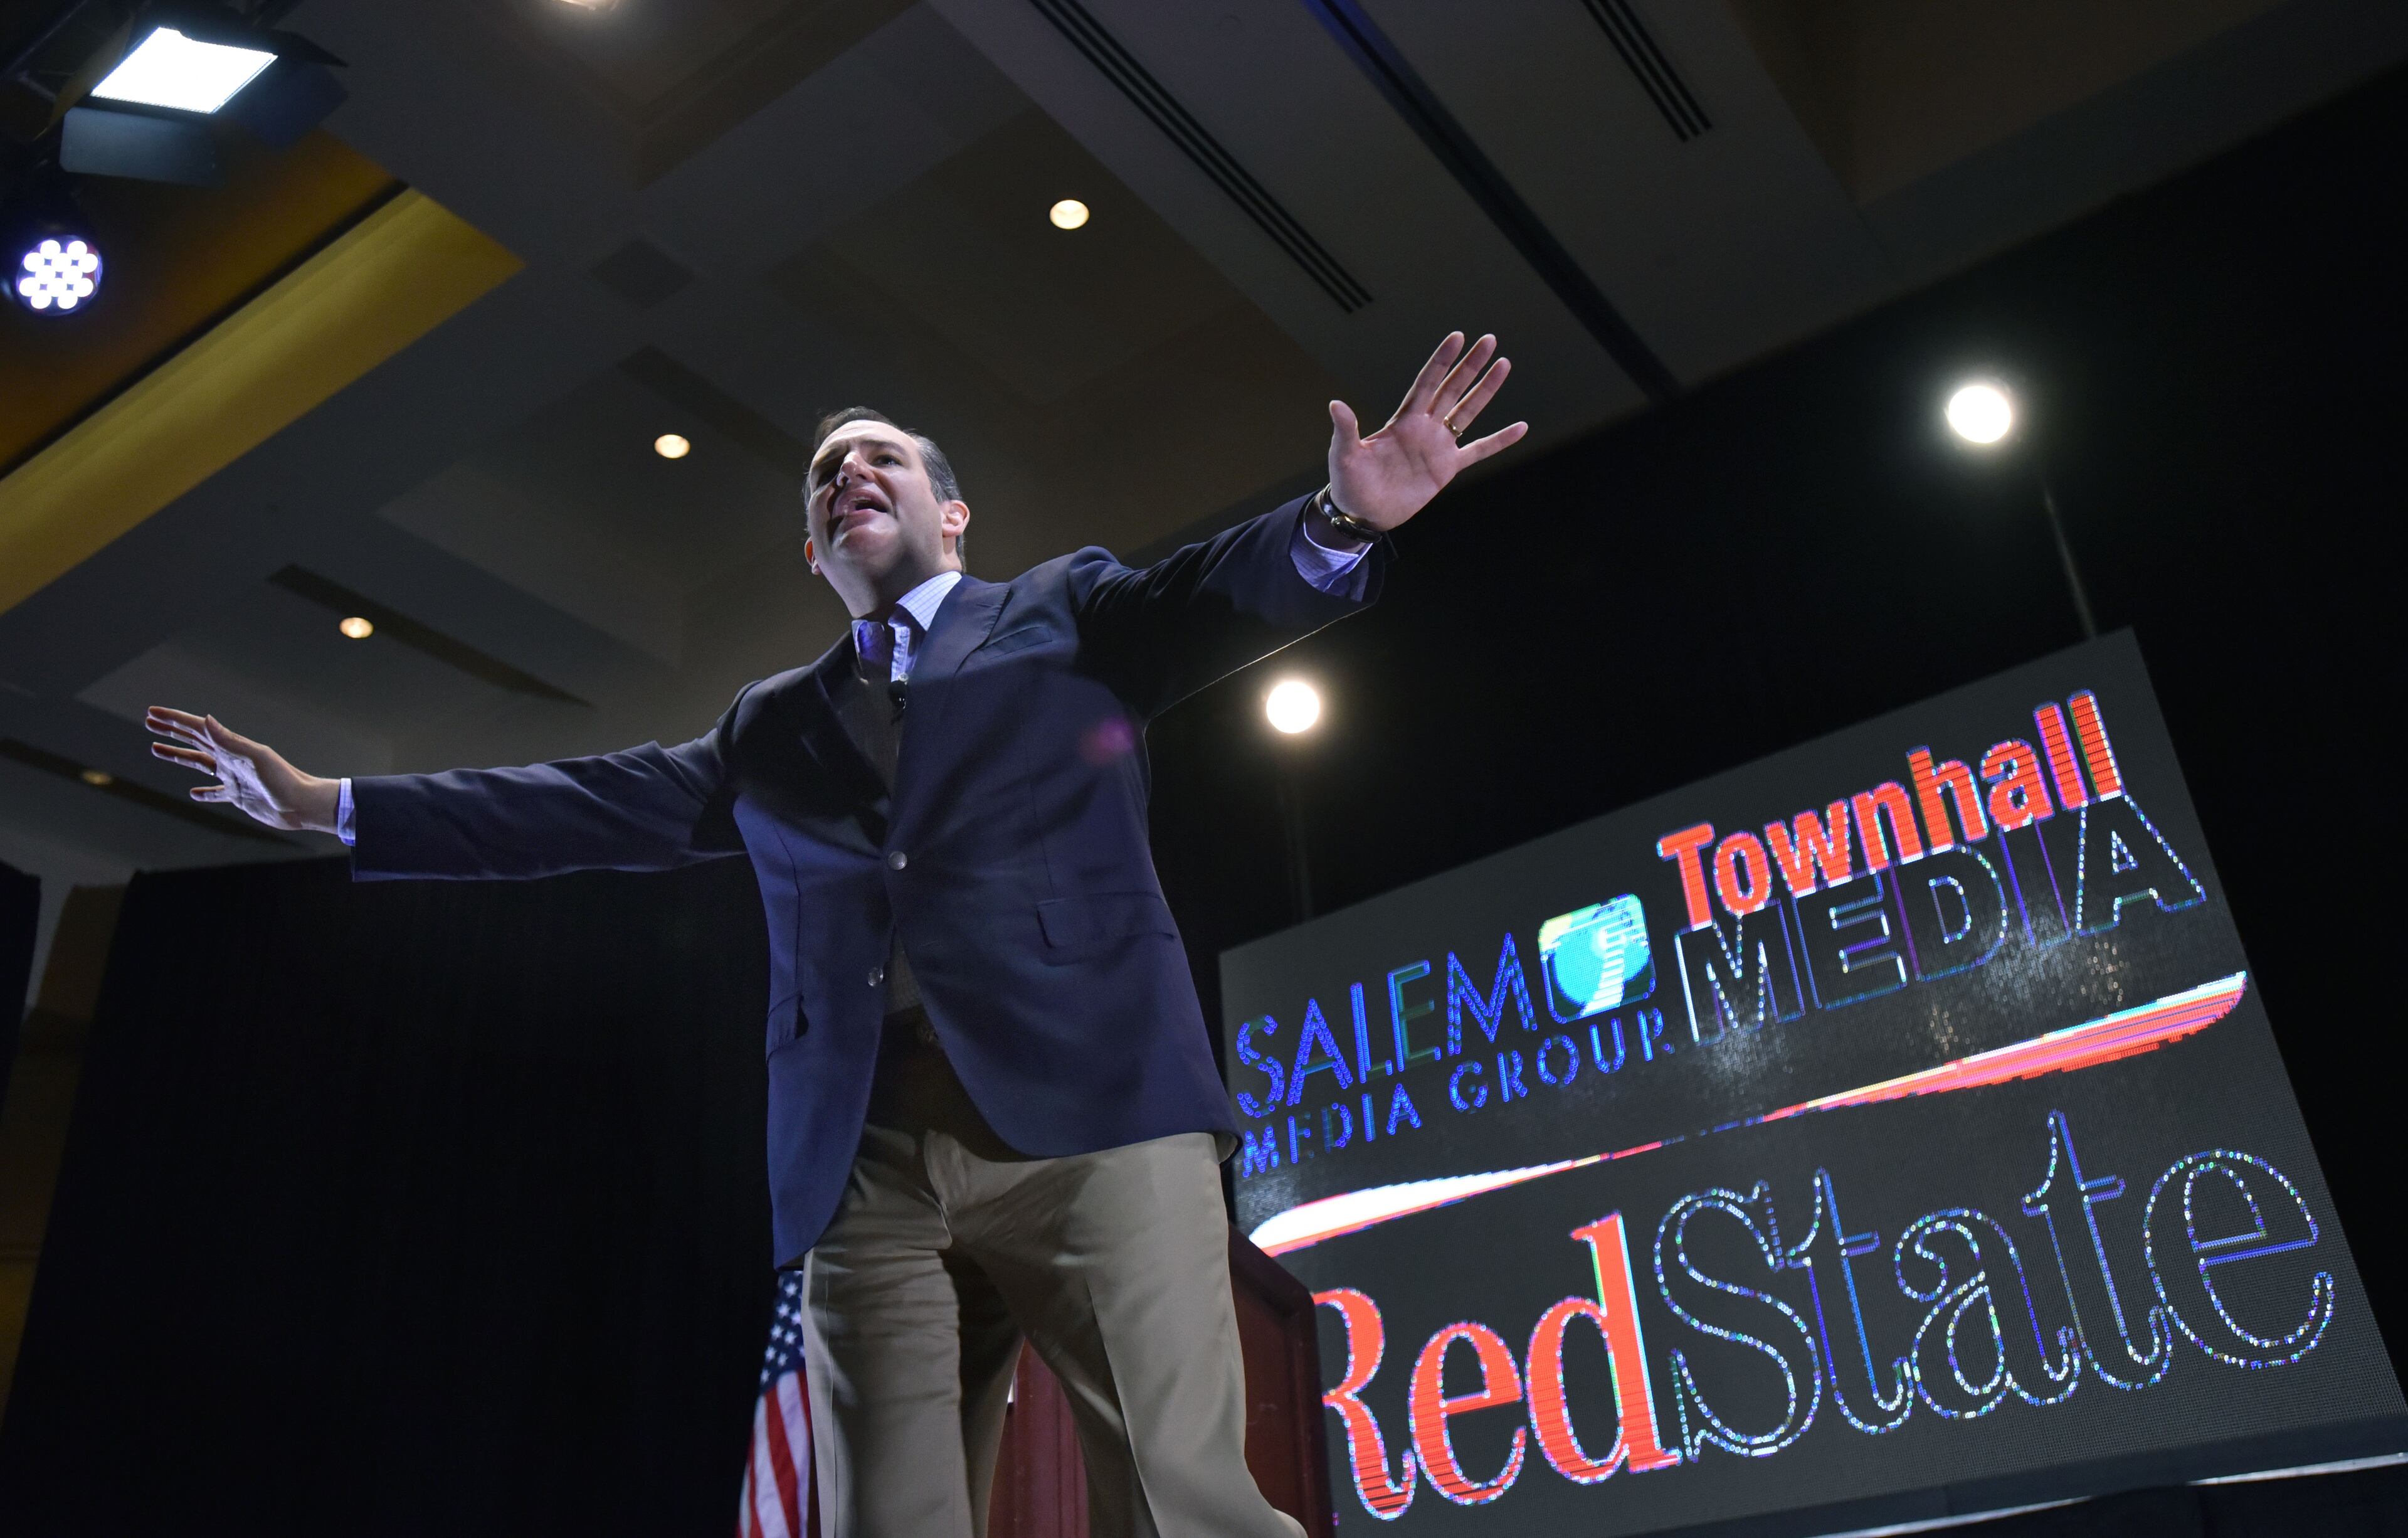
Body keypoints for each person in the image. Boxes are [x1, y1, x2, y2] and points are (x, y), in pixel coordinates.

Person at [147, 332, 1524, 1537]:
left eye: (882, 460)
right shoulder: (772, 724)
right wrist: (330, 803)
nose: (849, 473)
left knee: (1185, 1502)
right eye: (827, 478)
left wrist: (1341, 523)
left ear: (955, 513)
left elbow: (1220, 590)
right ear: (815, 551)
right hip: (860, 1157)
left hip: (1095, 1112)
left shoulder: (1065, 613)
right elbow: (578, 804)